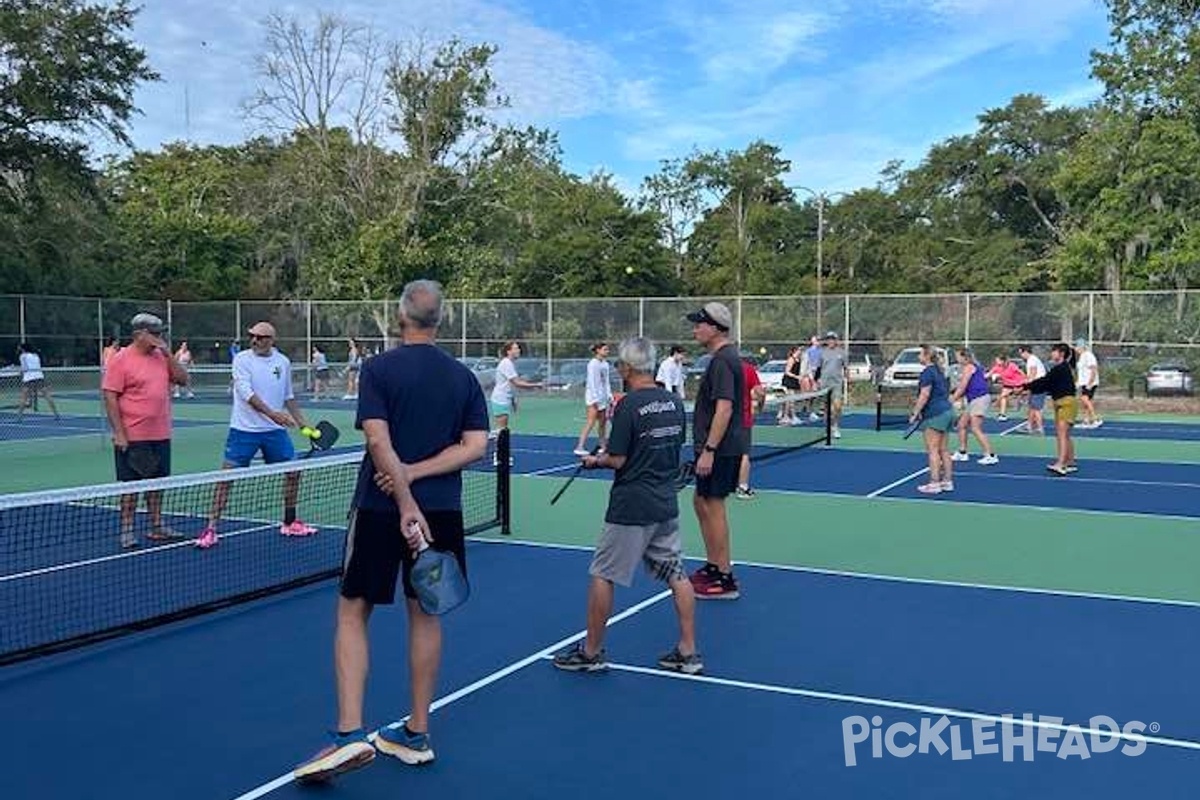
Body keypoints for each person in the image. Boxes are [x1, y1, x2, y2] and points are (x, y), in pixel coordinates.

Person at [293, 280, 489, 782]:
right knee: (425, 614)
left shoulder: (378, 369)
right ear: (439, 320)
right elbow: (474, 447)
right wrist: (421, 479)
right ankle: (416, 733)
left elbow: (378, 442)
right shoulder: (463, 378)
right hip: (442, 512)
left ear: (400, 317)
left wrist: (403, 493)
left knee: (352, 612)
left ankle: (348, 734)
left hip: (381, 510)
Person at [552, 337, 700, 674]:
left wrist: (594, 461)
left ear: (627, 368)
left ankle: (591, 653)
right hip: (665, 502)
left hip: (631, 505)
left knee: (603, 574)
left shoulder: (629, 406)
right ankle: (688, 651)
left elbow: (617, 459)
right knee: (677, 574)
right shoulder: (674, 403)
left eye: (620, 364)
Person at [194, 321, 316, 549]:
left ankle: (289, 522)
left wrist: (303, 424)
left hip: (274, 432)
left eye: (260, 337)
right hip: (244, 430)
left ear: (271, 339)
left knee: (293, 473)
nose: (254, 340)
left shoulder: (283, 362)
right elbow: (247, 394)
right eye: (252, 336)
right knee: (225, 478)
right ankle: (210, 528)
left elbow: (288, 396)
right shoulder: (241, 360)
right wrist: (274, 415)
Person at [100, 314, 190, 549]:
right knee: (131, 487)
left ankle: (157, 525)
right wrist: (119, 432)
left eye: (161, 333)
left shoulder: (161, 356)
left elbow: (183, 379)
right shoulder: (120, 360)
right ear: (140, 334)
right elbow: (110, 396)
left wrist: (168, 353)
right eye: (156, 333)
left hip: (160, 434)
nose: (160, 338)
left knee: (157, 483)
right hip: (133, 435)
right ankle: (127, 530)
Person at [685, 302, 745, 600]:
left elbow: (724, 409)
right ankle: (713, 567)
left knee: (713, 504)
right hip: (716, 447)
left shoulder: (722, 361)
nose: (695, 329)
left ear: (716, 328)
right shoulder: (722, 358)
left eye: (700, 324)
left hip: (719, 449)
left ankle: (724, 577)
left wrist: (709, 450)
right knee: (701, 501)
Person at [1023, 342, 1079, 476]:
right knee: (1065, 435)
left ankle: (1060, 464)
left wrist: (1025, 387)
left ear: (1061, 354)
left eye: (1054, 351)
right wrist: (1026, 388)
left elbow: (1045, 381)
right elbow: (1047, 384)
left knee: (1061, 434)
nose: (1051, 353)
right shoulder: (1061, 368)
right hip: (1062, 402)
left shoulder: (1060, 368)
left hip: (1066, 403)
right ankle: (1069, 462)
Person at [909, 345, 956, 495]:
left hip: (935, 414)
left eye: (920, 354)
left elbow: (924, 395)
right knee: (944, 449)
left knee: (933, 450)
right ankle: (947, 482)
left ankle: (934, 483)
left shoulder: (927, 373)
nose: (918, 357)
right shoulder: (939, 371)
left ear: (927, 356)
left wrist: (915, 412)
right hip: (948, 411)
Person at [950, 348, 999, 465]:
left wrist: (952, 399)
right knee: (961, 425)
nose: (957, 358)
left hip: (979, 399)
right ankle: (962, 452)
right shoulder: (971, 367)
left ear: (964, 358)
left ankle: (990, 455)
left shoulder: (969, 367)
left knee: (975, 428)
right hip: (973, 400)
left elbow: (962, 387)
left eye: (958, 356)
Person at [490, 341, 541, 432]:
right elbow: (517, 383)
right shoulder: (506, 363)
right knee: (501, 431)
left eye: (518, 348)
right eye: (516, 348)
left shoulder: (509, 363)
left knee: (503, 430)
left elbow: (510, 385)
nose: (519, 350)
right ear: (509, 352)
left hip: (504, 400)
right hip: (500, 400)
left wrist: (513, 401)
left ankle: (499, 445)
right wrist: (536, 385)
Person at [574, 342, 613, 456]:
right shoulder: (593, 364)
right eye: (605, 349)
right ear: (598, 351)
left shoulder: (605, 364)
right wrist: (595, 399)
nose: (607, 351)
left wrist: (609, 395)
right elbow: (592, 383)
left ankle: (603, 446)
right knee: (590, 422)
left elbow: (606, 382)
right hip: (593, 398)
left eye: (607, 349)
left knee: (603, 423)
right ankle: (579, 446)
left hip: (603, 398)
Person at [736, 356, 766, 499]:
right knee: (744, 454)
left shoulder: (720, 368)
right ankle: (743, 487)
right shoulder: (748, 369)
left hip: (721, 418)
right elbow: (760, 392)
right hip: (742, 418)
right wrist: (761, 406)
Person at [16, 342, 60, 421]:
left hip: (29, 378)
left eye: (20, 348)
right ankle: (56, 414)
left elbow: (24, 368)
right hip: (39, 377)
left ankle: (19, 416)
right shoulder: (36, 355)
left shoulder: (23, 356)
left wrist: (21, 373)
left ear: (23, 349)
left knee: (24, 397)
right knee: (47, 396)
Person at [816, 331, 847, 439]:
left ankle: (836, 427)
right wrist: (817, 381)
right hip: (824, 384)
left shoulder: (842, 353)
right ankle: (828, 428)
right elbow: (818, 369)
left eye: (833, 339)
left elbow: (846, 368)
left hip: (837, 384)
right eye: (829, 339)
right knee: (826, 408)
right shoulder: (822, 352)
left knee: (837, 407)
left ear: (836, 340)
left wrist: (848, 380)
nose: (831, 341)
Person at [1017, 345, 1047, 435]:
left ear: (1025, 352)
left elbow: (1032, 375)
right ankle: (1029, 426)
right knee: (1032, 407)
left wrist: (1024, 387)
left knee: (1036, 408)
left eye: (1021, 353)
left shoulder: (1032, 360)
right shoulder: (1031, 360)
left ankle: (1040, 428)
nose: (1021, 355)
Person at [985, 355, 1025, 421]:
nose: (996, 362)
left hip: (1017, 383)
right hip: (1007, 384)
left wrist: (1026, 379)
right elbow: (988, 375)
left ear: (1002, 361)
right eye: (996, 360)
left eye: (998, 360)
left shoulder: (1012, 365)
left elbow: (1020, 372)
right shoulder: (996, 367)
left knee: (1004, 396)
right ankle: (1002, 415)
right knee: (1003, 397)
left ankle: (1023, 399)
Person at [1074, 338, 1102, 428]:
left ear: (1082, 347)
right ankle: (1086, 421)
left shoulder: (1088, 355)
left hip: (1090, 383)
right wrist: (1077, 383)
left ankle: (1095, 419)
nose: (1076, 348)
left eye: (1077, 346)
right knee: (1085, 401)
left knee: (1084, 399)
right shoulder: (1082, 356)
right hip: (1084, 383)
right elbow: (1082, 372)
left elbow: (1094, 369)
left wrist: (1090, 383)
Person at [779, 344, 803, 425]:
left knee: (790, 400)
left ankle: (787, 416)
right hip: (789, 381)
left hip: (794, 382)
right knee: (790, 400)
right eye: (799, 350)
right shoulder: (791, 359)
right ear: (795, 351)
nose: (801, 351)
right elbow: (787, 371)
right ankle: (789, 417)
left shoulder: (798, 359)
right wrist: (796, 377)